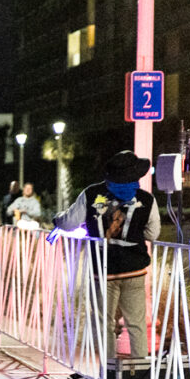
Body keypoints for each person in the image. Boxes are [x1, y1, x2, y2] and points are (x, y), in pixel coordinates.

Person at [53, 150, 160, 361]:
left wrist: (57, 219)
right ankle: (139, 373)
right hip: (134, 270)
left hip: (103, 271)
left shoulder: (91, 194)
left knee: (103, 323)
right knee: (136, 324)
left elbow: (69, 222)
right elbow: (153, 233)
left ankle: (108, 373)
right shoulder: (146, 199)